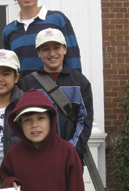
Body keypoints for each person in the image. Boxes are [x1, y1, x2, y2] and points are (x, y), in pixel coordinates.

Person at [22, 28, 93, 163]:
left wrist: (71, 150)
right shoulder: (28, 83)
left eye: (56, 47)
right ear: (38, 53)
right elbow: (24, 121)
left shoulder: (80, 82)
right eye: (46, 49)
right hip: (38, 157)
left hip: (71, 157)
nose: (52, 53)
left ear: (65, 49)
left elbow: (85, 120)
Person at [0, 89, 84, 190]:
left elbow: (76, 186)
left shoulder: (67, 151)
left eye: (40, 118)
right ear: (19, 125)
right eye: (27, 120)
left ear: (51, 120)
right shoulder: (13, 154)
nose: (34, 125)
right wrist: (10, 183)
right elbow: (5, 178)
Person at [3, 0, 81, 77]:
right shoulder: (9, 30)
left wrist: (75, 88)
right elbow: (10, 67)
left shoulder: (58, 20)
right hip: (24, 92)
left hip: (56, 90)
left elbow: (73, 58)